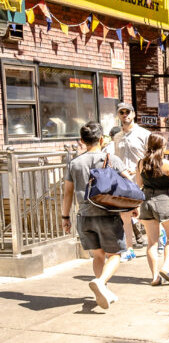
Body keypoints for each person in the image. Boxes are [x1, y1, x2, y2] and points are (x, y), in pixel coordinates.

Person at [61, 122, 130, 310]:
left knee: (98, 255)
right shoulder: (111, 159)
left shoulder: (74, 163)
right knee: (115, 254)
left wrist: (65, 217)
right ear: (101, 139)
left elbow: (68, 192)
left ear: (82, 141)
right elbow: (129, 182)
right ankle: (100, 283)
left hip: (84, 216)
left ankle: (103, 290)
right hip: (107, 214)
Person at [134, 133, 169, 286]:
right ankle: (165, 267)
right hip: (164, 201)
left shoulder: (140, 163)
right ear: (162, 147)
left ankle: (154, 277)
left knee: (151, 242)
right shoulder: (167, 164)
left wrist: (135, 206)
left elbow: (138, 186)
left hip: (146, 202)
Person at [112, 102, 152, 251]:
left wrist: (140, 171)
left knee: (145, 214)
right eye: (121, 112)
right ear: (118, 115)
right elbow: (116, 158)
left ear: (133, 114)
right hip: (124, 181)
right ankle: (129, 249)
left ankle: (157, 240)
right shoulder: (117, 137)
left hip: (141, 179)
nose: (125, 115)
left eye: (127, 112)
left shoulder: (144, 134)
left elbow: (150, 157)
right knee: (125, 216)